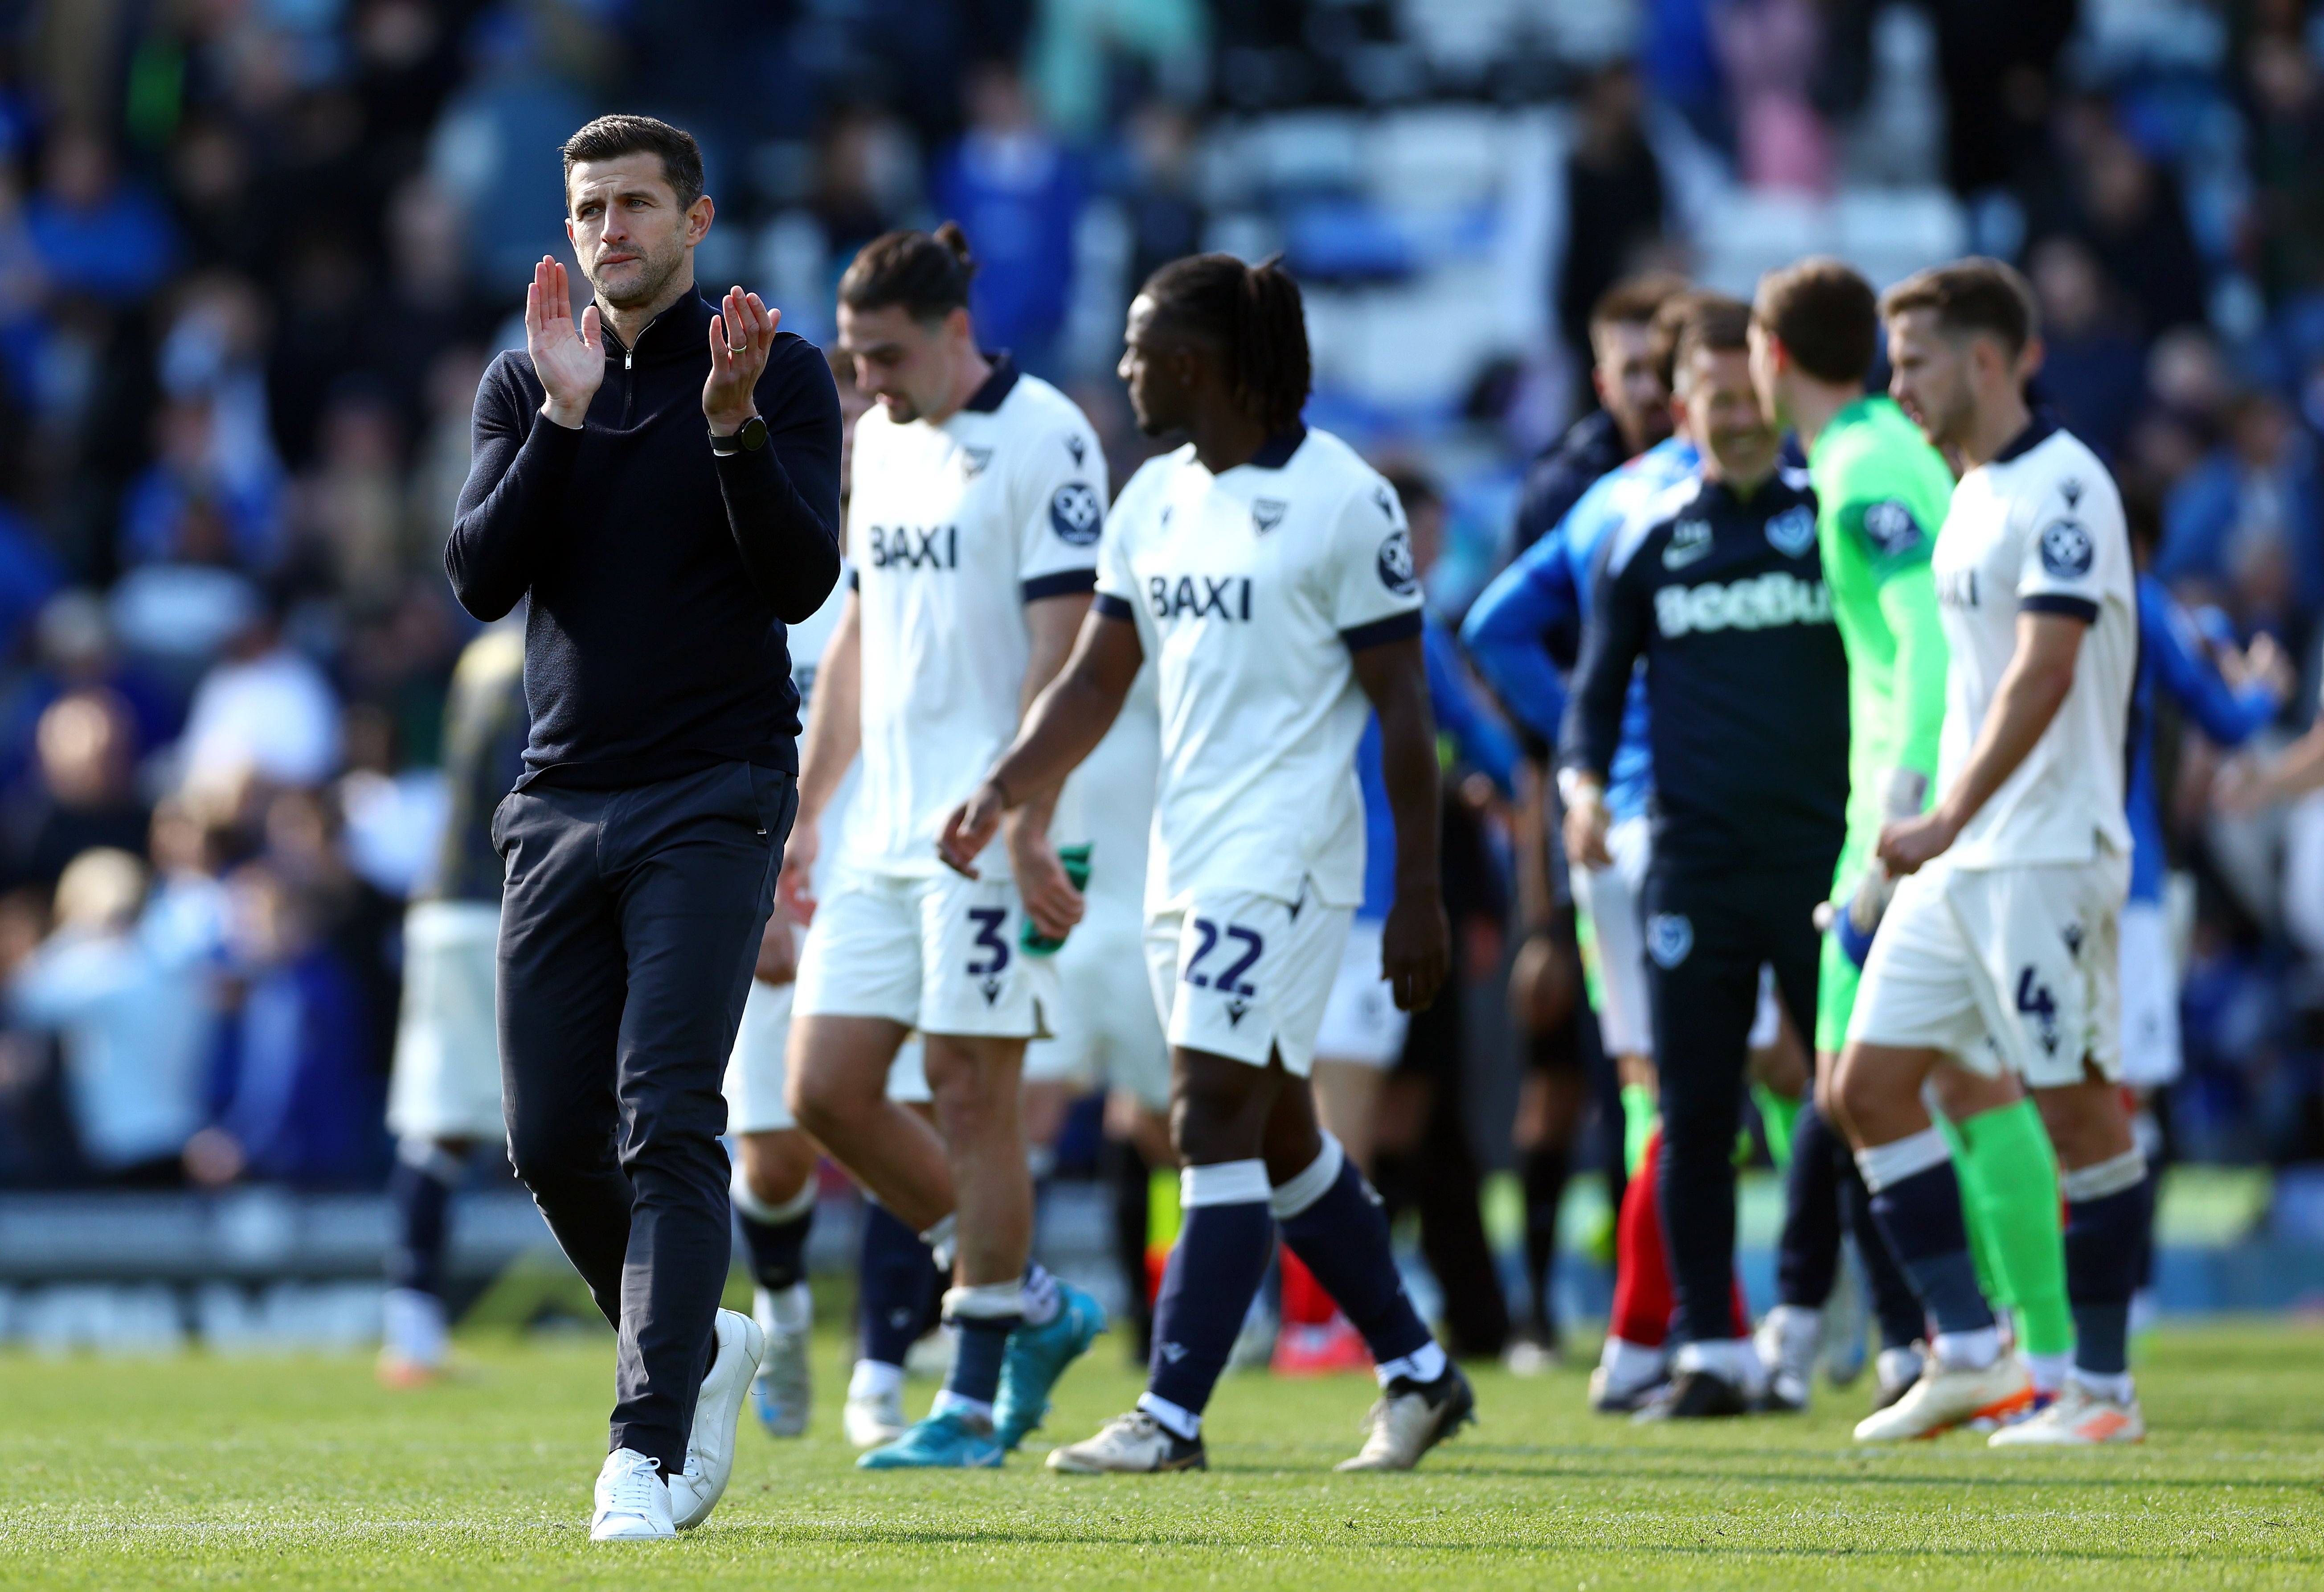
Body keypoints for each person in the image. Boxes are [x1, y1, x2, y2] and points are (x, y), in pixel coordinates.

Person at [941, 251, 1474, 1474]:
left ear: (1197, 363)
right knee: (1278, 1133)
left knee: (1205, 1111)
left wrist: (1423, 895)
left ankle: (1172, 1413)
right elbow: (1095, 678)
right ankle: (1421, 1370)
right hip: (1184, 852)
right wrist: (1008, 782)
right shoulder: (1153, 501)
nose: (1124, 368)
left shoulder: (1345, 499)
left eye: (1139, 349)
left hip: (1289, 856)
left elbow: (1403, 707)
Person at [442, 115, 841, 1539]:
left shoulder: (776, 372)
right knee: (549, 1135)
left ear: (695, 220)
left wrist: (730, 431)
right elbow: (481, 576)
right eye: (588, 208)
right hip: (555, 800)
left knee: (666, 1110)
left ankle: (640, 1449)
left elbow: (799, 581)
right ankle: (693, 1336)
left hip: (714, 789)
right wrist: (555, 416)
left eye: (634, 205)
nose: (608, 230)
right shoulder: (525, 378)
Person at [782, 224, 1109, 1472]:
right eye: (857, 357)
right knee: (827, 1090)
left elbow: (1063, 650)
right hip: (879, 828)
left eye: (885, 354)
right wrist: (813, 806)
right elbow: (862, 632)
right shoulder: (880, 440)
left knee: (977, 1095)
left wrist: (1029, 812)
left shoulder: (1048, 438)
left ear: (956, 332)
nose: (866, 379)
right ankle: (1027, 1300)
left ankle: (971, 1396)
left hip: (989, 825)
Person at [1834, 259, 2151, 1447]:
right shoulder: (1966, 490)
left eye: (1912, 361)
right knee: (1862, 1087)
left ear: (1984, 358)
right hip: (1963, 864)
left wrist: (1947, 817)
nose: (1896, 383)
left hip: (2043, 856)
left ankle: (2103, 1392)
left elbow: (2046, 670)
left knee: (2076, 1110)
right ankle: (1971, 1351)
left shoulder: (2065, 488)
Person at [1746, 256, 2064, 1416]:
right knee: (1951, 1079)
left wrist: (1902, 811)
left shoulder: (1864, 464)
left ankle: (1999, 1343)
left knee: (1862, 1082)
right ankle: (2018, 1346)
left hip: (1899, 822)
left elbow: (1921, 638)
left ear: (1768, 357)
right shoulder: (1876, 452)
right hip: (1914, 814)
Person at [1558, 293, 1849, 1419]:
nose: (1734, 417)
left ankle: (1843, 1325)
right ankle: (1710, 1349)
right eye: (1713, 397)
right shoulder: (1645, 541)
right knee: (1694, 1110)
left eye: (1749, 395)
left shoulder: (1830, 519)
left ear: (1775, 395)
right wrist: (1581, 790)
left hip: (1821, 860)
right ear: (1681, 407)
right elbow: (1591, 700)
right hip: (1693, 864)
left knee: (1850, 1094)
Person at [1284, 468, 1516, 1376]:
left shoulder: (1291, 609)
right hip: (1367, 895)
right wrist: (1494, 789)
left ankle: (1314, 1318)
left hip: (1282, 884)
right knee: (1343, 1120)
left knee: (1297, 1114)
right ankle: (1322, 1320)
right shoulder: (1403, 625)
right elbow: (1482, 740)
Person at [377, 619, 527, 1387]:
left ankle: (412, 1324)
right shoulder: (545, 654)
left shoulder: (485, 653)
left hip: (444, 897)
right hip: (499, 903)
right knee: (598, 1106)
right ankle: (651, 1317)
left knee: (439, 1127)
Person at [1512, 274, 1688, 556]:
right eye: (1632, 371)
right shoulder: (1560, 489)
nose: (1651, 389)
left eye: (1663, 366)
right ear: (1603, 386)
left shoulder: (1745, 467)